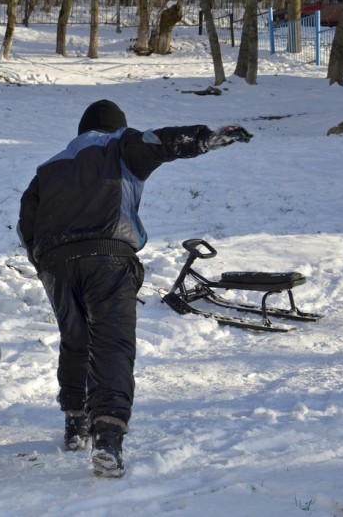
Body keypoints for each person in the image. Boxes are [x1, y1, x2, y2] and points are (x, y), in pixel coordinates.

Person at [17, 99, 252, 478]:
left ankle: (75, 420)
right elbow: (160, 141)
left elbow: (27, 221)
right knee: (111, 342)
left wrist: (45, 264)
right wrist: (205, 139)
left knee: (75, 340)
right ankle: (107, 437)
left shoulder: (48, 168)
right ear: (116, 127)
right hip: (108, 255)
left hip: (56, 262)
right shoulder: (121, 144)